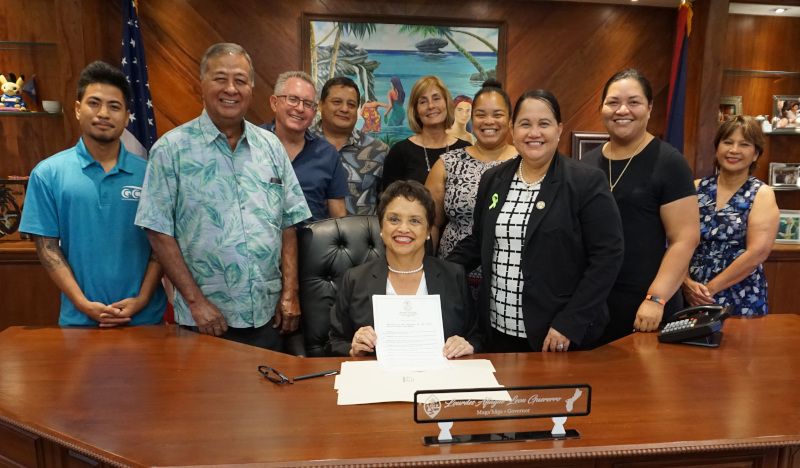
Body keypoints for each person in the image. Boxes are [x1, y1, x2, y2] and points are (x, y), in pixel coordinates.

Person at [135, 43, 311, 352]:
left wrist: (290, 294)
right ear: (201, 83)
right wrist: (196, 303)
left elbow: (288, 223)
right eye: (220, 78)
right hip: (206, 320)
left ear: (251, 88)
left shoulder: (271, 147)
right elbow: (158, 232)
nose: (231, 89)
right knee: (207, 401)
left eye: (241, 80)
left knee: (270, 400)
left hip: (268, 317)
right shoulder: (171, 150)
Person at [447, 90, 624, 353]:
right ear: (512, 128)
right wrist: (433, 271)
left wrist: (570, 322)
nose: (534, 133)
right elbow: (479, 240)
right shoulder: (493, 180)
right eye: (525, 124)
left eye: (544, 124)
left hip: (556, 334)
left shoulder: (585, 182)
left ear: (559, 129)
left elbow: (608, 257)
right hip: (496, 328)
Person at [19, 61, 166, 327]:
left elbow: (162, 245)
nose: (103, 113)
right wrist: (83, 304)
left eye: (114, 106)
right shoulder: (48, 173)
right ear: (77, 109)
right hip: (80, 321)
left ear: (126, 116)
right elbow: (47, 248)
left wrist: (142, 300)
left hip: (145, 320)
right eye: (94, 103)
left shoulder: (152, 174)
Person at [582, 68, 699, 344]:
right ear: (601, 108)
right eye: (613, 102)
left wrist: (656, 298)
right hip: (595, 304)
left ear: (649, 108)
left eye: (633, 102)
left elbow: (685, 238)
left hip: (645, 307)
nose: (622, 110)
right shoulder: (586, 164)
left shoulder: (669, 162)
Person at [328, 180, 481, 358]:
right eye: (394, 219)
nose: (403, 229)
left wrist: (466, 345)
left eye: (415, 221)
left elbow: (476, 336)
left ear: (428, 231)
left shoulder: (453, 275)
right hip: (377, 379)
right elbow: (334, 342)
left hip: (439, 380)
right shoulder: (355, 278)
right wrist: (353, 349)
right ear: (381, 227)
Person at [426, 80, 517, 294]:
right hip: (454, 277)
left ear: (510, 120)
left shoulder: (525, 163)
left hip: (508, 280)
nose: (488, 121)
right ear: (471, 119)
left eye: (497, 114)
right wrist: (429, 270)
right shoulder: (448, 163)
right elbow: (430, 224)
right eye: (481, 114)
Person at [683, 116, 779, 316]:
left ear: (755, 154)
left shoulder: (761, 193)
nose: (734, 150)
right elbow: (677, 240)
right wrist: (686, 282)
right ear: (717, 148)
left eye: (744, 144)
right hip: (690, 293)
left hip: (740, 295)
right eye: (727, 142)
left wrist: (709, 290)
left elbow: (757, 253)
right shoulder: (696, 187)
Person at [263, 71, 348, 221]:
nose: (300, 108)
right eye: (293, 99)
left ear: (315, 112)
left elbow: (339, 219)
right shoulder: (252, 143)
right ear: (274, 103)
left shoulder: (327, 154)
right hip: (260, 241)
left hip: (313, 242)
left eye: (308, 104)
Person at [310, 76, 389, 215]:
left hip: (364, 235)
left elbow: (389, 204)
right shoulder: (304, 144)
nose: (345, 109)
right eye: (337, 102)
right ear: (321, 105)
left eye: (351, 105)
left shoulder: (379, 151)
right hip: (310, 235)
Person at [381, 76, 471, 191]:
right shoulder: (399, 152)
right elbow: (389, 203)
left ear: (447, 103)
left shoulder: (466, 150)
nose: (431, 106)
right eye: (423, 102)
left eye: (436, 98)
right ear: (416, 111)